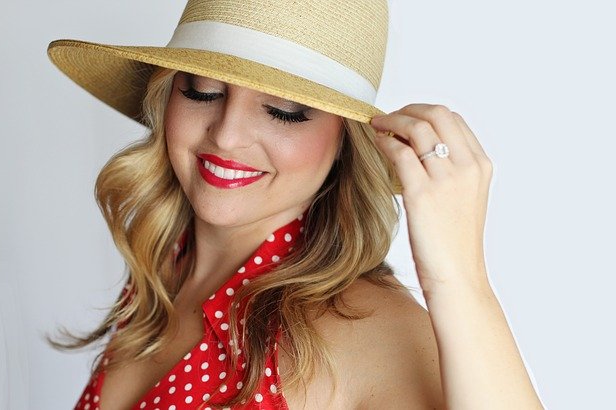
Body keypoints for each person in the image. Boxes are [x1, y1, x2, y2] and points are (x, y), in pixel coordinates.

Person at [45, 0, 544, 409]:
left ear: (345, 139)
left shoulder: (364, 331)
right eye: (203, 91)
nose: (227, 135)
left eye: (284, 112)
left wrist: (458, 278)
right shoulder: (160, 277)